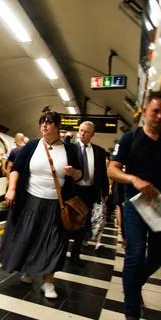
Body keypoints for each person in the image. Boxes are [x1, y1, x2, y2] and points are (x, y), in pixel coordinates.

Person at [0, 111, 82, 299]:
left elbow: (80, 175)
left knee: (54, 242)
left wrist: (73, 172)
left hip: (56, 205)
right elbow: (16, 169)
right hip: (30, 201)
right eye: (42, 122)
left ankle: (48, 282)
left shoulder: (70, 150)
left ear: (57, 126)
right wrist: (11, 189)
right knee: (29, 237)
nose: (44, 126)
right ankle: (28, 269)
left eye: (49, 123)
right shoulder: (32, 146)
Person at [108, 90, 161, 320]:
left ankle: (133, 285)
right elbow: (112, 169)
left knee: (158, 256)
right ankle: (131, 313)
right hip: (134, 204)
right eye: (155, 111)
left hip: (159, 206)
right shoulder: (131, 138)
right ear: (146, 111)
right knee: (135, 253)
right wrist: (133, 179)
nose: (159, 116)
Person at [70, 121, 109, 263]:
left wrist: (105, 191)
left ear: (92, 134)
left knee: (83, 224)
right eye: (80, 130)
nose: (82, 133)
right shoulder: (71, 148)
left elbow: (102, 173)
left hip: (89, 192)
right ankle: (60, 252)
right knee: (68, 221)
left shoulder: (99, 151)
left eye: (86, 131)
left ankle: (75, 254)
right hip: (73, 192)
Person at [0, 133, 26, 211]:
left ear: (16, 141)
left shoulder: (14, 150)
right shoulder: (28, 150)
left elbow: (9, 165)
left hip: (14, 177)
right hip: (21, 178)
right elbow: (7, 162)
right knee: (16, 194)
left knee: (14, 193)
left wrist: (8, 178)